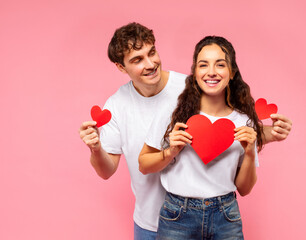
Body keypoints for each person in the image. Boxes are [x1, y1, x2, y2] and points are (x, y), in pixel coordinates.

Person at [79, 23, 292, 240]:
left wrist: (268, 133)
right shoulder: (116, 105)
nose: (150, 64)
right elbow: (108, 170)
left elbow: (229, 126)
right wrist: (95, 148)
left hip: (218, 213)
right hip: (153, 219)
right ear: (121, 67)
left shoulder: (195, 86)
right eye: (137, 60)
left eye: (152, 53)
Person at [139, 36, 274, 239]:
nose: (211, 72)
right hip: (177, 215)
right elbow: (143, 165)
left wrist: (249, 153)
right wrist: (171, 151)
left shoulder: (244, 120)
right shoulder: (173, 111)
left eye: (220, 65)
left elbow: (244, 189)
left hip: (226, 216)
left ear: (232, 72)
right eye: (203, 65)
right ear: (195, 72)